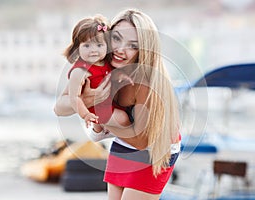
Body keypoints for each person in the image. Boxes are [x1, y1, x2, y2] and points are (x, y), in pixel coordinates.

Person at [54, 9, 181, 200]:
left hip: (155, 149)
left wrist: (103, 121)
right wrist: (91, 98)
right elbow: (59, 107)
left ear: (143, 50)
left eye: (132, 45)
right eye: (117, 39)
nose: (120, 49)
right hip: (123, 143)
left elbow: (141, 140)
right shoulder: (99, 61)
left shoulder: (145, 82)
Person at [57, 14, 131, 133]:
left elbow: (110, 74)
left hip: (108, 103)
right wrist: (85, 115)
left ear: (107, 46)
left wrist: (120, 76)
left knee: (123, 113)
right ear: (77, 48)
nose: (93, 50)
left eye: (99, 45)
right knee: (123, 118)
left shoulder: (105, 62)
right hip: (95, 110)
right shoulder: (80, 71)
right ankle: (121, 134)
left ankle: (101, 129)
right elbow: (74, 98)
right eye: (87, 45)